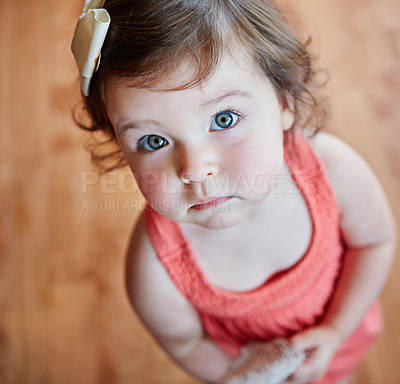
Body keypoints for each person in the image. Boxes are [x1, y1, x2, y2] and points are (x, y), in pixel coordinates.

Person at [71, 0, 396, 383]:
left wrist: (337, 330)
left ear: (283, 101)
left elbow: (373, 243)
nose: (194, 170)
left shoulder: (332, 172)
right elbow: (187, 345)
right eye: (154, 141)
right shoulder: (154, 268)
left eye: (223, 119)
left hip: (342, 331)